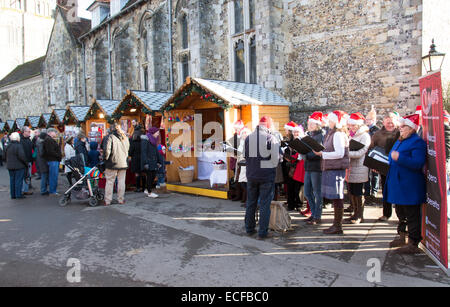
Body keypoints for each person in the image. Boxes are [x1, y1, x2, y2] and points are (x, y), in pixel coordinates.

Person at [385, 114, 426, 254]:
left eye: (404, 127)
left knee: (412, 213)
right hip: (397, 183)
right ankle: (401, 235)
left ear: (412, 129)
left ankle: (413, 242)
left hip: (409, 185)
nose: (400, 129)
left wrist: (400, 157)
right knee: (400, 211)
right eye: (401, 126)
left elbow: (418, 163)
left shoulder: (417, 142)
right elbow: (392, 156)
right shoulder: (400, 140)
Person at [313, 110, 349, 235]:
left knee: (337, 197)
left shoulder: (338, 134)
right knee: (335, 197)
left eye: (331, 120)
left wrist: (323, 154)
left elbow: (340, 153)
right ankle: (336, 224)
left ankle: (338, 225)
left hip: (336, 169)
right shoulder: (332, 133)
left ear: (337, 122)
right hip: (331, 168)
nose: (329, 122)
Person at [244, 116, 280, 240]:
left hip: (252, 175)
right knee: (265, 204)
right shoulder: (271, 138)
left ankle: (249, 229)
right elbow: (275, 159)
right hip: (266, 176)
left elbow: (245, 156)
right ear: (269, 126)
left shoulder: (248, 137)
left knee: (251, 202)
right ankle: (263, 233)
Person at [369, 113, 400, 221]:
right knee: (386, 190)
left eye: (392, 122)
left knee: (398, 190)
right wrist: (373, 165)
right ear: (383, 123)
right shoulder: (378, 134)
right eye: (388, 123)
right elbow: (371, 148)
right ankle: (386, 214)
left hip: (398, 166)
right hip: (383, 166)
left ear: (396, 122)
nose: (390, 125)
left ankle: (401, 217)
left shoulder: (400, 133)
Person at [344, 112, 371, 224]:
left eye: (352, 125)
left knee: (358, 192)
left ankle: (360, 215)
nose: (350, 127)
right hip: (351, 167)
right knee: (352, 192)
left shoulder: (364, 136)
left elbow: (361, 152)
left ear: (358, 125)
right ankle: (355, 213)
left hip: (360, 167)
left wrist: (346, 153)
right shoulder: (353, 135)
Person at [304, 112, 325, 225]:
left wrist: (306, 154)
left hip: (316, 167)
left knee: (317, 192)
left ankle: (317, 215)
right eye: (309, 123)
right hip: (308, 166)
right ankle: (313, 213)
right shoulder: (309, 135)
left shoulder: (320, 136)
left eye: (312, 124)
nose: (310, 125)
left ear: (317, 125)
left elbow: (319, 151)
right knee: (307, 192)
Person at [103, 123, 130, 206]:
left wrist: (105, 159)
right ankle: (120, 199)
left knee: (110, 181)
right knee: (121, 181)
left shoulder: (109, 137)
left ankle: (108, 200)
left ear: (111, 129)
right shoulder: (125, 138)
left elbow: (107, 151)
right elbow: (128, 149)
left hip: (112, 163)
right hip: (123, 163)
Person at [363, 106, 380, 202]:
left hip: (374, 154)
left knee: (375, 174)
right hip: (366, 154)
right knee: (367, 174)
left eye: (368, 120)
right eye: (366, 119)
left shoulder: (376, 130)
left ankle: (374, 191)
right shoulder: (365, 130)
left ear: (373, 120)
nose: (367, 121)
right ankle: (367, 191)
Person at [141, 128, 163, 198]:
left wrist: (159, 161)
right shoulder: (146, 140)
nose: (157, 134)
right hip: (148, 161)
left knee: (153, 176)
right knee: (150, 176)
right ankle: (149, 192)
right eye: (157, 133)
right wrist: (145, 163)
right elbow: (143, 152)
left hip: (153, 161)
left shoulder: (153, 140)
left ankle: (147, 190)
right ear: (153, 133)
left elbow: (156, 151)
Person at [6, 132, 28, 199]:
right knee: (18, 181)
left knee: (12, 180)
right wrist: (25, 163)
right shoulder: (18, 146)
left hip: (10, 166)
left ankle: (13, 195)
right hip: (19, 166)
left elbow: (4, 155)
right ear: (18, 138)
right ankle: (18, 194)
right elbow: (22, 156)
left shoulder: (8, 145)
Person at [42, 128, 62, 196]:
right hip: (53, 160)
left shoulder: (49, 139)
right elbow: (50, 151)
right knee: (53, 176)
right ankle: (53, 191)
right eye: (55, 132)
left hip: (53, 160)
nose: (56, 134)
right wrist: (58, 155)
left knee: (53, 176)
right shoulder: (48, 140)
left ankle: (53, 190)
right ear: (50, 132)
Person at [129, 126, 145, 192]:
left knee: (137, 174)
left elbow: (130, 152)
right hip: (143, 158)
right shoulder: (144, 140)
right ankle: (144, 187)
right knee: (143, 173)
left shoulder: (133, 141)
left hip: (135, 159)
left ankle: (138, 188)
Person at [20, 126, 34, 195]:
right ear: (24, 132)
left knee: (28, 175)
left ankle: (26, 189)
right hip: (24, 161)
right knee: (24, 176)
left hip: (29, 160)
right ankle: (24, 189)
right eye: (28, 131)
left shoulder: (28, 139)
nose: (29, 132)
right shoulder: (21, 140)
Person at [36, 129, 49, 195]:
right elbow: (42, 153)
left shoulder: (38, 142)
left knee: (44, 175)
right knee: (44, 176)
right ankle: (43, 190)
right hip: (43, 161)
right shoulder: (41, 143)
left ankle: (44, 189)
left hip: (40, 161)